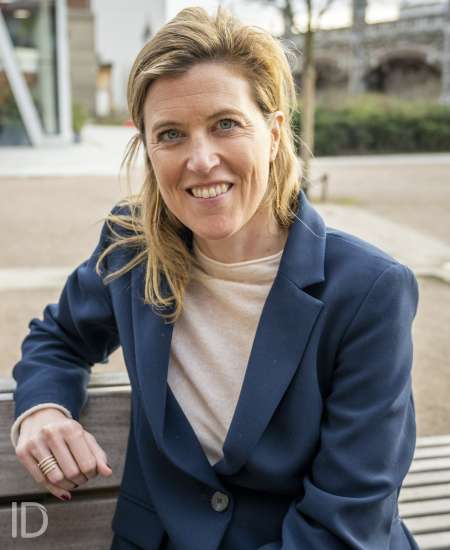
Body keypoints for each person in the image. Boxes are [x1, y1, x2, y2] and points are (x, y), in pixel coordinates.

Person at [10, 6, 420, 550]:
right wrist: (42, 410)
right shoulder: (132, 247)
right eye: (171, 134)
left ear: (274, 134)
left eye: (225, 124)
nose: (201, 160)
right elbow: (59, 337)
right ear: (147, 150)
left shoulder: (370, 292)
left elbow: (344, 524)